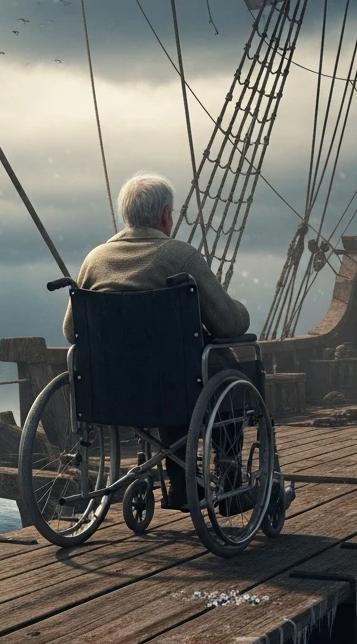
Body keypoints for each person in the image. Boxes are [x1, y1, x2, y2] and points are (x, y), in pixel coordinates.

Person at [64, 172, 250, 508]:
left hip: (111, 394)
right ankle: (229, 479)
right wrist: (241, 310)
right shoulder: (180, 257)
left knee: (167, 379)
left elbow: (70, 331)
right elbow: (229, 324)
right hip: (173, 388)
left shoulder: (94, 260)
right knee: (226, 380)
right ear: (165, 215)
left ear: (127, 216)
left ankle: (181, 484)